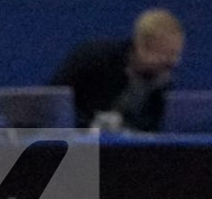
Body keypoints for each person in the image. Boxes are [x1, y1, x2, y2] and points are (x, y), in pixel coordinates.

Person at [51, 8, 185, 131]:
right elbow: (52, 103)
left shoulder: (163, 85)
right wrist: (89, 124)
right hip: (78, 146)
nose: (172, 63)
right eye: (165, 54)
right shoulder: (94, 58)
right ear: (141, 47)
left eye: (175, 54)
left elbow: (153, 127)